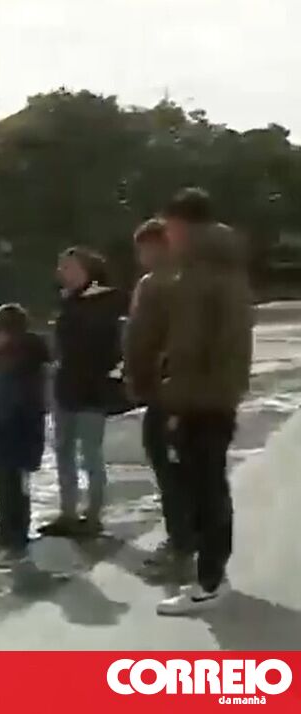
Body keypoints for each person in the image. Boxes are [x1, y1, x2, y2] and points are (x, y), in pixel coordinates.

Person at [152, 188, 253, 616]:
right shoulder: (226, 269)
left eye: (169, 228)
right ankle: (213, 575)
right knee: (209, 486)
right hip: (217, 394)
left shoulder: (200, 273)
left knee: (204, 489)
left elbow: (191, 345)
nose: (167, 237)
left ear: (183, 226)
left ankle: (209, 582)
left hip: (201, 397)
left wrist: (172, 393)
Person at [123, 218, 193, 579]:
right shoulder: (149, 284)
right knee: (167, 471)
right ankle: (180, 541)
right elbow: (140, 336)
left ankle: (183, 548)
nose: (142, 256)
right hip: (156, 392)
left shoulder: (180, 284)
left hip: (174, 394)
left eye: (147, 247)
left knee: (175, 473)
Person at [43, 247, 128, 538]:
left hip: (93, 387)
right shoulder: (68, 301)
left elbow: (117, 344)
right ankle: (68, 513)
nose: (61, 273)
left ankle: (93, 514)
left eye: (67, 267)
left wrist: (113, 375)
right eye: (60, 268)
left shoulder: (108, 300)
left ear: (85, 269)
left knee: (90, 452)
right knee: (63, 450)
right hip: (65, 385)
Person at [0, 304, 51, 567]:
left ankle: (17, 539)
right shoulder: (5, 358)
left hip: (16, 436)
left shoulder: (24, 362)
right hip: (0, 436)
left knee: (16, 490)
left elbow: (23, 403)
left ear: (7, 333)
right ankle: (5, 534)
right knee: (3, 487)